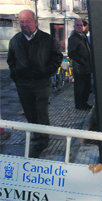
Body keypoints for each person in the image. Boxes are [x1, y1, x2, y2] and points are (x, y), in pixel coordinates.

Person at [7, 9, 63, 158]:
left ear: (35, 22)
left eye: (27, 21)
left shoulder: (47, 39)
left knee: (41, 111)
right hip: (23, 84)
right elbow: (10, 60)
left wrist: (47, 72)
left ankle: (43, 140)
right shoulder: (15, 40)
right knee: (30, 112)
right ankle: (36, 135)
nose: (24, 24)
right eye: (21, 22)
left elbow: (57, 57)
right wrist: (16, 77)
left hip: (41, 83)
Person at [68, 19, 92, 110]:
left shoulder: (83, 36)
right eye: (77, 25)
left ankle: (84, 103)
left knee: (86, 87)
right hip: (80, 68)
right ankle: (80, 105)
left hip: (86, 67)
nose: (80, 27)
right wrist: (82, 61)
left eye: (81, 25)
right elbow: (72, 53)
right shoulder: (73, 38)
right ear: (74, 27)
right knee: (80, 87)